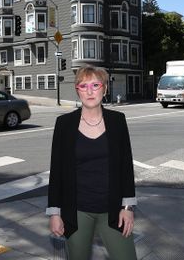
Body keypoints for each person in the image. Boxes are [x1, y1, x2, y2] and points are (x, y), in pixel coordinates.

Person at [46, 65, 137, 260]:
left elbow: (126, 166)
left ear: (104, 89)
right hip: (76, 211)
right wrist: (54, 213)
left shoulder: (117, 120)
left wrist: (128, 208)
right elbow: (57, 171)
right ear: (77, 89)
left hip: (113, 209)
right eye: (83, 85)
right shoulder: (64, 124)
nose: (89, 91)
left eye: (95, 85)